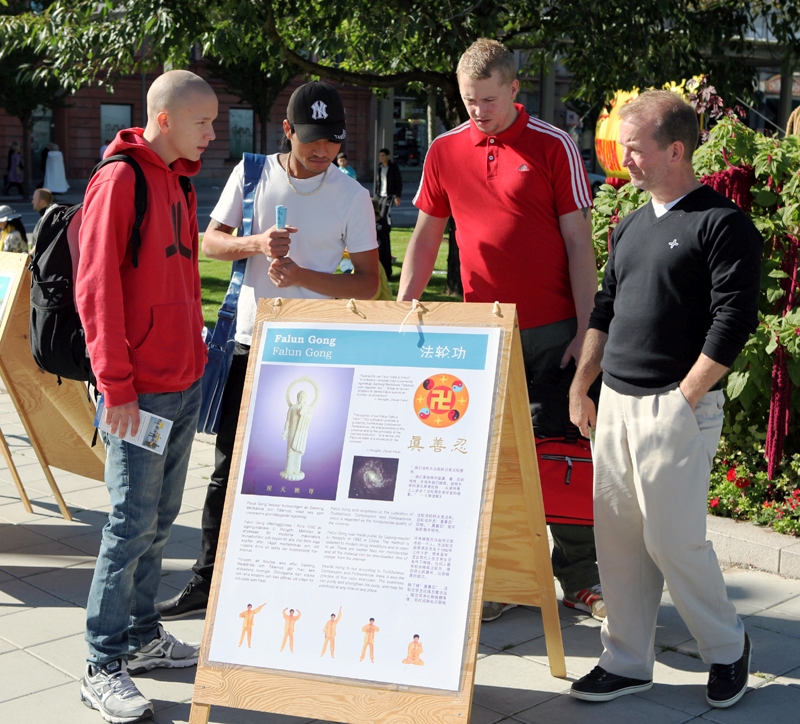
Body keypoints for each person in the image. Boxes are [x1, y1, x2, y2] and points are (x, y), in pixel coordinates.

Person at [155, 80, 379, 621]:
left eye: (332, 140)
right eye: (311, 138)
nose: (322, 150)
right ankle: (208, 581)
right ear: (287, 131)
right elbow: (210, 242)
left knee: (306, 471)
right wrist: (255, 244)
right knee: (228, 467)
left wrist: (302, 275)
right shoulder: (253, 173)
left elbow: (369, 283)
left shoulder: (352, 195)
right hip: (250, 343)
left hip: (318, 352)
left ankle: (297, 581)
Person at [397, 38, 603, 623]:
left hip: (554, 331)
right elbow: (426, 236)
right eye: (469, 101)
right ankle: (505, 577)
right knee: (490, 461)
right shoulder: (444, 149)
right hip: (481, 334)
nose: (478, 111)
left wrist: (587, 331)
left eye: (488, 99)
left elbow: (578, 243)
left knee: (562, 452)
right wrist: (405, 304)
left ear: (514, 89)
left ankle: (581, 579)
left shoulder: (554, 144)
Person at [568, 90, 761, 708]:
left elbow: (734, 320)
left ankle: (727, 648)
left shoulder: (722, 224)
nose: (623, 158)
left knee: (674, 542)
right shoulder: (630, 224)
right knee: (618, 542)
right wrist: (582, 384)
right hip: (615, 403)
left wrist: (684, 398)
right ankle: (627, 661)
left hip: (676, 406)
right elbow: (605, 310)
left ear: (675, 150)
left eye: (634, 148)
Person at [75, 69, 218, 723]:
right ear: (164, 119)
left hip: (181, 383)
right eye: (202, 122)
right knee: (129, 524)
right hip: (139, 393)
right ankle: (101, 664)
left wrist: (195, 360)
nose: (212, 134)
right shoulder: (121, 180)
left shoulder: (178, 178)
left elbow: (178, 279)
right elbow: (96, 290)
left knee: (158, 521)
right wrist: (117, 388)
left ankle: (140, 635)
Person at [373, 147, 403, 278]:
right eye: (380, 156)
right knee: (378, 213)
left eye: (383, 156)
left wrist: (397, 195)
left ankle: (386, 225)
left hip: (389, 195)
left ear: (388, 156)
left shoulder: (393, 167)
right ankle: (381, 225)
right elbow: (378, 181)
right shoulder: (380, 168)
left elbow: (398, 181)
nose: (382, 158)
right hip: (380, 194)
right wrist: (376, 194)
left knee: (385, 213)